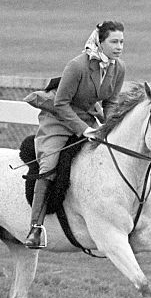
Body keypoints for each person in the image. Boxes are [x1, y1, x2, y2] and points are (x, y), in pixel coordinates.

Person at [22, 21, 127, 248]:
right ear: (100, 41)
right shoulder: (77, 66)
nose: (119, 47)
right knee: (49, 166)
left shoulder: (118, 68)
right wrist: (83, 129)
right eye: (114, 42)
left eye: (122, 42)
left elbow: (111, 102)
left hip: (88, 118)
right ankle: (35, 228)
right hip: (58, 120)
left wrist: (108, 128)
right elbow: (60, 104)